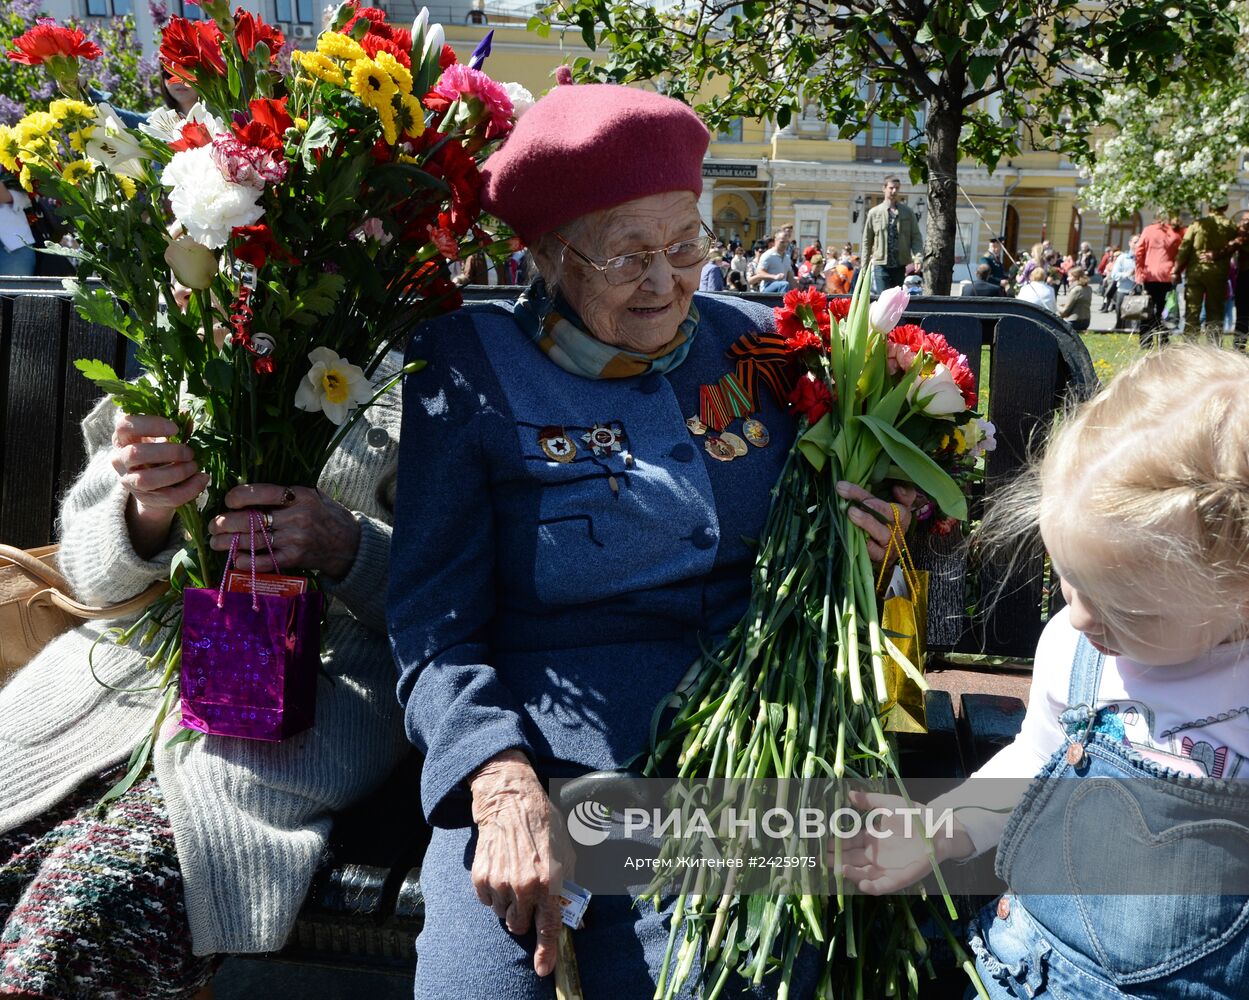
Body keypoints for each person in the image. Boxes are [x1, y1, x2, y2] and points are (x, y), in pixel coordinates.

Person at [387, 80, 916, 999]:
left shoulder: (761, 346)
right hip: (535, 756)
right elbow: (433, 626)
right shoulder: (470, 368)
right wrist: (496, 776)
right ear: (550, 257)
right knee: (480, 985)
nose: (667, 280)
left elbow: (881, 526)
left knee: (718, 978)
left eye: (684, 244)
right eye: (628, 254)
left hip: (741, 749)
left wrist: (872, 547)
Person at [840, 342, 1249, 1000]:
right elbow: (1033, 758)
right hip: (1016, 968)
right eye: (1067, 580)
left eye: (1125, 609)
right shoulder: (1078, 646)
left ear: (1239, 591)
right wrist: (939, 830)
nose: (1081, 617)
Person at [0, 363, 408, 997]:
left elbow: (470, 591)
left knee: (86, 916)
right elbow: (86, 572)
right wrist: (145, 512)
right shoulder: (190, 337)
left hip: (293, 721)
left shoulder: (434, 370)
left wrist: (349, 547)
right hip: (100, 688)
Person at [1173, 201, 1236, 339]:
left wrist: (1176, 270)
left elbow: (1185, 248)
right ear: (1225, 207)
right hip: (1218, 274)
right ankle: (1213, 347)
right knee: (1215, 312)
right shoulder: (1230, 226)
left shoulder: (1197, 224)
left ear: (1209, 207)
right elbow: (1235, 246)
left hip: (1196, 272)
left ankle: (1190, 345)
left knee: (1192, 310)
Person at [861, 176, 923, 295]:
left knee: (896, 300)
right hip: (881, 266)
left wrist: (918, 258)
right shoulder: (874, 213)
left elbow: (916, 237)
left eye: (897, 188)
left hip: (899, 266)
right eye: (891, 188)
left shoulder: (907, 212)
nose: (894, 191)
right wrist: (864, 267)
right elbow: (866, 241)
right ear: (884, 188)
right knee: (883, 299)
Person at [1134, 212, 1184, 348]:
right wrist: (1178, 271)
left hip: (1150, 275)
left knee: (1147, 309)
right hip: (1168, 276)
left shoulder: (1148, 230)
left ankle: (1145, 341)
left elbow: (1138, 252)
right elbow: (1182, 254)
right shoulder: (1175, 233)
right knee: (1165, 310)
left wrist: (1139, 273)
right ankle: (1163, 340)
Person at [0, 174, 36, 277]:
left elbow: (33, 195)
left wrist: (9, 196)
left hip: (13, 244)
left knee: (15, 291)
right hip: (14, 245)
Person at [755, 228, 795, 293]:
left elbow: (789, 277)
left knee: (786, 285)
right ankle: (781, 302)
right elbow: (759, 272)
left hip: (782, 289)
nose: (785, 244)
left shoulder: (787, 257)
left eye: (787, 242)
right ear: (775, 241)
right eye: (782, 242)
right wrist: (774, 277)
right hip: (767, 289)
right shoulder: (768, 255)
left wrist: (798, 291)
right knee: (784, 284)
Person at [1056, 265, 1091, 331]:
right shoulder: (1088, 288)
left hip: (1074, 322)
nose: (1067, 279)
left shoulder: (1075, 290)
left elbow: (1064, 312)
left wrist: (1056, 306)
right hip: (1086, 322)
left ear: (1076, 277)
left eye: (1069, 276)